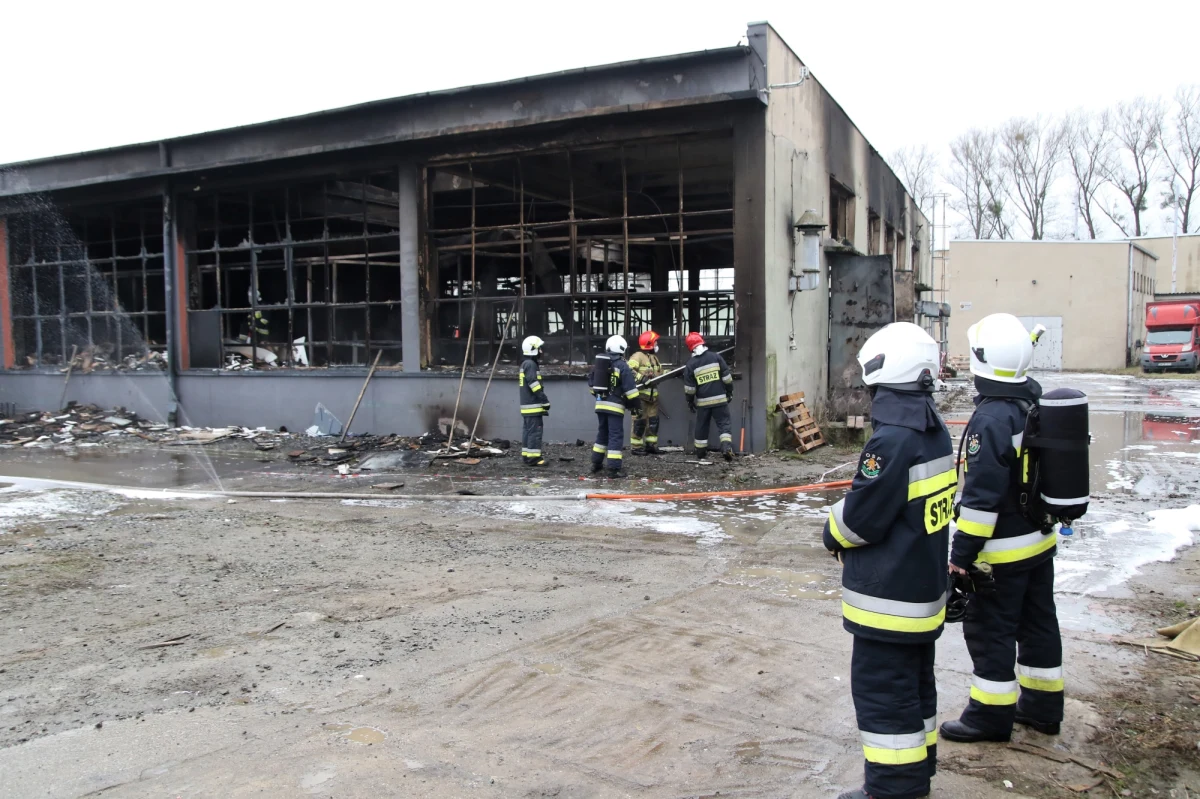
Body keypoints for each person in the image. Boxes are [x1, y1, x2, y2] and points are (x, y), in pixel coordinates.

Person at [823, 322, 953, 799]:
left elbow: (861, 522)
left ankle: (895, 787)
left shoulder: (891, 440)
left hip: (888, 603)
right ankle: (919, 770)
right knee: (916, 689)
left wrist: (830, 530)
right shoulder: (933, 430)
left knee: (884, 696)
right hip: (922, 596)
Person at [940, 313, 1064, 744]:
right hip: (1039, 542)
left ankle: (989, 718)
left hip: (1003, 554)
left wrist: (961, 556)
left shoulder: (991, 420)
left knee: (991, 632)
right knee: (1038, 625)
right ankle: (1044, 709)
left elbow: (981, 499)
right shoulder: (1031, 403)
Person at [589, 335, 642, 478]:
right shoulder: (622, 365)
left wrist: (601, 398)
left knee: (602, 433)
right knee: (615, 436)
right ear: (621, 349)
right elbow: (630, 390)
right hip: (615, 407)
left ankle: (596, 463)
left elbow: (591, 386)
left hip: (600, 405)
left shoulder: (600, 365)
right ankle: (613, 469)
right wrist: (636, 405)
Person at [681, 332, 734, 461]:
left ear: (690, 347)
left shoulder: (691, 365)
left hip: (703, 403)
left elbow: (690, 389)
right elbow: (727, 378)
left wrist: (689, 401)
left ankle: (700, 452)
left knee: (702, 426)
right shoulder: (716, 357)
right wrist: (729, 391)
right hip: (720, 400)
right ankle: (726, 448)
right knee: (724, 424)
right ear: (702, 342)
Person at [628, 331, 665, 455]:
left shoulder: (654, 358)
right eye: (655, 342)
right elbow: (628, 370)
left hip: (653, 398)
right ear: (649, 344)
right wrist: (642, 378)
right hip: (640, 397)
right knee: (639, 422)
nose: (657, 344)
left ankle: (651, 445)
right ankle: (636, 447)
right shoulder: (637, 356)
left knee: (653, 422)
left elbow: (660, 372)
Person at [518, 335, 550, 467]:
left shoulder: (525, 364)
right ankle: (533, 458)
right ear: (533, 349)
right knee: (535, 431)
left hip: (527, 405)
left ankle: (527, 455)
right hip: (533, 405)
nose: (541, 352)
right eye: (539, 349)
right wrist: (544, 399)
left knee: (528, 431)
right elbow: (534, 384)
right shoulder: (530, 365)